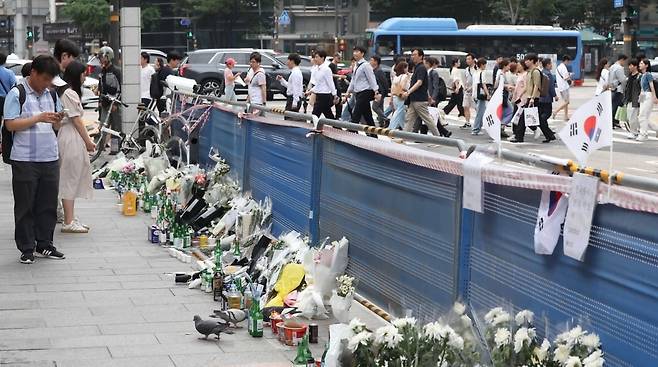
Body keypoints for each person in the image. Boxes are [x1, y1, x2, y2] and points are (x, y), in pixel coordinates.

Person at [3, 55, 65, 264]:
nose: (47, 84)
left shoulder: (52, 95)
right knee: (25, 205)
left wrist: (57, 121)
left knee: (47, 204)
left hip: (49, 156)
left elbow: (55, 126)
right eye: (45, 79)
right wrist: (38, 118)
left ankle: (45, 244)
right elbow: (10, 125)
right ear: (34, 73)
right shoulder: (17, 93)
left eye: (51, 80)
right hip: (24, 158)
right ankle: (27, 248)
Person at [58, 61, 95, 233]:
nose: (85, 77)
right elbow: (77, 120)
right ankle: (68, 221)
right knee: (70, 177)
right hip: (71, 137)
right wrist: (88, 141)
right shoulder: (69, 93)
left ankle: (70, 217)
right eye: (83, 74)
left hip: (70, 136)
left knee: (71, 176)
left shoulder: (67, 92)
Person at [401, 48, 451, 137]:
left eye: (415, 55)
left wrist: (408, 92)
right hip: (415, 99)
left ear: (421, 56)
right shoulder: (418, 67)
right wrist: (429, 97)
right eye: (412, 55)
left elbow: (419, 83)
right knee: (409, 119)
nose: (412, 57)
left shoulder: (421, 68)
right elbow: (425, 85)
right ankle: (404, 137)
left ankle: (438, 138)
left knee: (428, 120)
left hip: (419, 100)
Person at [346, 46, 378, 133]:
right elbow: (353, 79)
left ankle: (351, 133)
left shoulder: (366, 65)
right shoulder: (356, 65)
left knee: (356, 114)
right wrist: (348, 91)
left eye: (357, 52)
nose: (355, 53)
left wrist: (376, 91)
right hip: (358, 93)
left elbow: (372, 79)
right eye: (354, 51)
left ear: (362, 54)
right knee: (367, 115)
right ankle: (374, 135)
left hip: (365, 92)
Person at [510, 53, 542, 143]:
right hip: (526, 97)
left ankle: (522, 135)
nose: (525, 62)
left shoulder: (535, 72)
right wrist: (519, 95)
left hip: (530, 98)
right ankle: (519, 136)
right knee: (522, 118)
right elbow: (527, 86)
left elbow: (536, 85)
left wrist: (532, 97)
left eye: (527, 60)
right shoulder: (528, 72)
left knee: (523, 118)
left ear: (532, 61)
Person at [97, 46, 122, 153]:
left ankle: (115, 149)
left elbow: (120, 88)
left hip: (114, 103)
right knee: (102, 126)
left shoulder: (116, 71)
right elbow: (100, 87)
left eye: (102, 57)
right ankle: (100, 148)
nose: (101, 60)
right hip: (104, 103)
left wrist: (116, 103)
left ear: (108, 57)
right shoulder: (102, 71)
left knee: (115, 128)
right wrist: (99, 100)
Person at [308, 50, 337, 119]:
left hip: (325, 96)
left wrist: (335, 95)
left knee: (315, 114)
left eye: (317, 57)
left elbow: (331, 83)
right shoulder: (316, 69)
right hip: (319, 95)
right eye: (314, 57)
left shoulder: (326, 69)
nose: (315, 59)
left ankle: (315, 128)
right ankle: (337, 128)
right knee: (329, 115)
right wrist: (310, 91)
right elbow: (318, 84)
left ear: (322, 58)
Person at [637, 58, 658, 141]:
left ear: (646, 65)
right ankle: (656, 129)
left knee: (642, 116)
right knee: (643, 116)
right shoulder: (642, 75)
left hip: (648, 95)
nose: (640, 65)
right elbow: (642, 88)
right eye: (640, 63)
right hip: (643, 95)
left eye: (642, 63)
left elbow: (651, 86)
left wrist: (654, 97)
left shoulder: (648, 75)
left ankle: (644, 134)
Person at [537, 58, 557, 143]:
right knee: (544, 117)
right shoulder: (549, 74)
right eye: (550, 64)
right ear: (547, 65)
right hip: (547, 99)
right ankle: (549, 134)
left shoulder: (541, 73)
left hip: (540, 98)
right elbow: (551, 87)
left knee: (541, 118)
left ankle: (549, 135)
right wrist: (555, 95)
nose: (551, 65)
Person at [388, 60, 410, 130]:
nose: (407, 69)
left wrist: (391, 99)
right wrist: (408, 91)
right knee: (398, 112)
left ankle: (405, 128)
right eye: (406, 68)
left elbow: (392, 88)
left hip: (395, 96)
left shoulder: (396, 77)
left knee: (401, 113)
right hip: (401, 96)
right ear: (403, 68)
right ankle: (391, 128)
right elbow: (404, 87)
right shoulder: (404, 76)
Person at [370, 55, 390, 127]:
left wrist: (384, 93)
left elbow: (384, 83)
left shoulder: (379, 71)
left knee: (375, 107)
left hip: (380, 93)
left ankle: (386, 119)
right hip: (378, 92)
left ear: (376, 62)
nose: (370, 62)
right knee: (380, 107)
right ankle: (381, 123)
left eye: (371, 60)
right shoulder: (374, 70)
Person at [609, 54, 628, 129]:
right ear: (622, 59)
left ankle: (614, 121)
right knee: (616, 106)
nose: (624, 63)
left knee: (614, 105)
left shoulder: (612, 66)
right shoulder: (619, 68)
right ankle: (613, 121)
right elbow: (622, 80)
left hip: (613, 88)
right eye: (625, 61)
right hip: (618, 89)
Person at [471, 57, 489, 135]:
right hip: (480, 95)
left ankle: (478, 128)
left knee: (481, 112)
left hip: (475, 94)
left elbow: (474, 84)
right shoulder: (482, 72)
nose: (485, 66)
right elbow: (483, 84)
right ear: (482, 65)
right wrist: (487, 94)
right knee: (480, 113)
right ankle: (475, 129)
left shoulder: (475, 73)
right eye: (485, 65)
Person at [624, 59, 641, 140]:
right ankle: (635, 131)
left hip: (635, 100)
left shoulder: (639, 76)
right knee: (631, 117)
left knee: (633, 117)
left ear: (636, 66)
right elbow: (627, 88)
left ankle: (634, 132)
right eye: (629, 65)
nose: (629, 67)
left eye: (631, 65)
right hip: (629, 99)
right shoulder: (630, 76)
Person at [553, 55, 572, 120]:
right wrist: (570, 75)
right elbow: (566, 77)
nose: (569, 63)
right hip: (564, 87)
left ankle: (566, 116)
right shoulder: (563, 67)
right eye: (568, 61)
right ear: (566, 60)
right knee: (567, 102)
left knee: (565, 102)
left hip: (560, 87)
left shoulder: (558, 67)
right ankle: (556, 112)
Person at [0, 52, 17, 120]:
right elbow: (14, 86)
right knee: (8, 118)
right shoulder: (9, 73)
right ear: (4, 61)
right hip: (5, 100)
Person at [461, 53, 476, 129]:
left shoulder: (476, 69)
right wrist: (465, 87)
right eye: (467, 59)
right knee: (465, 106)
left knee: (477, 108)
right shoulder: (466, 69)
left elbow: (477, 81)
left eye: (469, 59)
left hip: (474, 91)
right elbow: (465, 79)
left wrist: (471, 87)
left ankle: (479, 122)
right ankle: (467, 122)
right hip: (467, 91)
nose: (467, 61)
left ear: (473, 60)